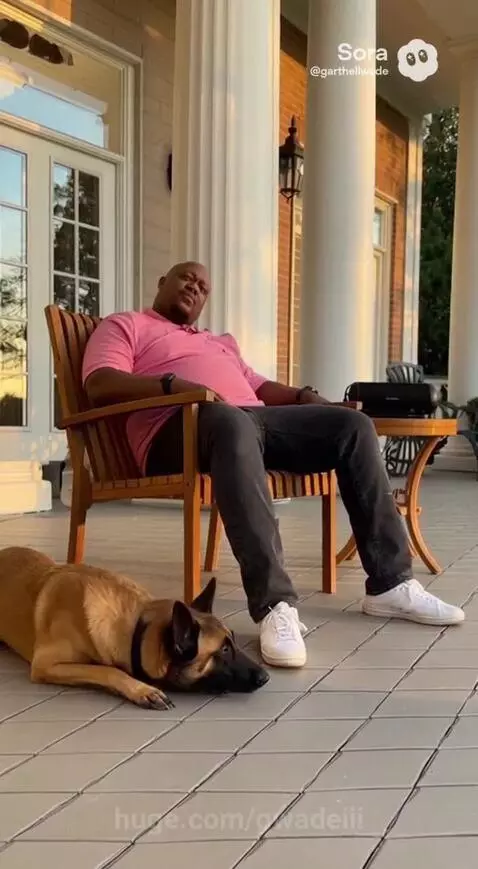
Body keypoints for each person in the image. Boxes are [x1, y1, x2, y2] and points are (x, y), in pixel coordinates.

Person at [82, 261, 464, 669]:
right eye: (185, 278)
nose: (194, 287)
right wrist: (173, 385)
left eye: (203, 286)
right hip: (175, 430)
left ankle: (391, 585)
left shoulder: (218, 342)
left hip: (248, 422)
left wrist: (305, 396)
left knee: (352, 425)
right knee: (229, 419)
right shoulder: (128, 324)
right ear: (161, 282)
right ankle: (274, 605)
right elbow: (99, 382)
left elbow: (259, 386)